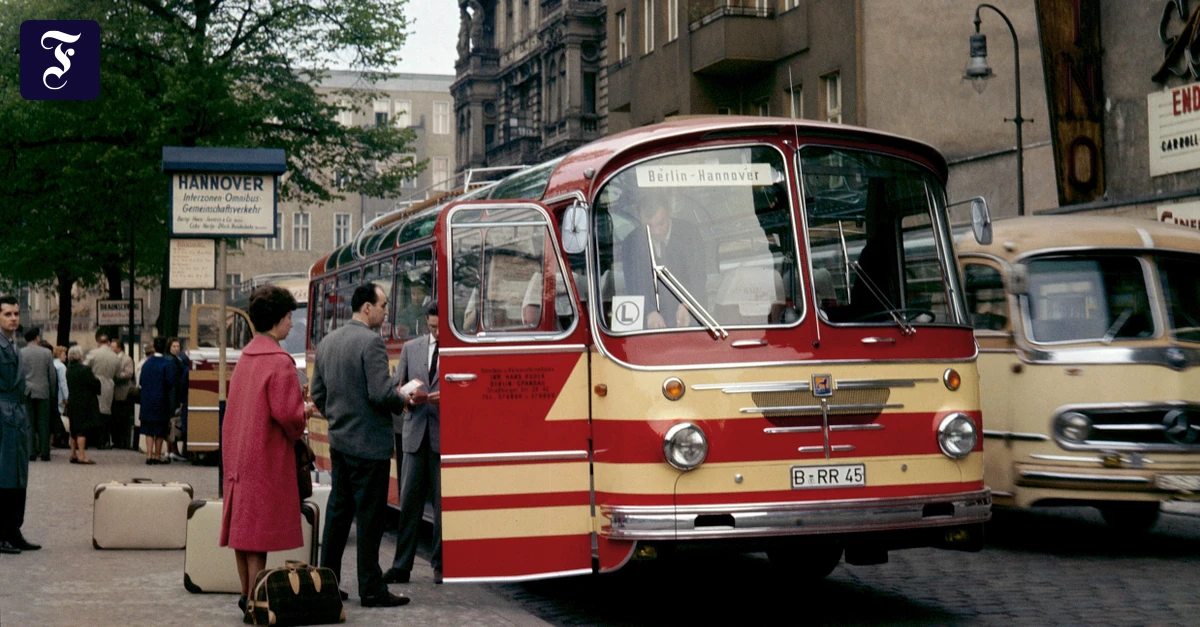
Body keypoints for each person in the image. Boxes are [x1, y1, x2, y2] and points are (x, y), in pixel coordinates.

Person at [311, 283, 411, 608]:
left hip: (340, 444)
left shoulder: (328, 342)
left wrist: (337, 418)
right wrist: (403, 397)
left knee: (339, 515)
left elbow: (318, 392)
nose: (385, 311)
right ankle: (371, 587)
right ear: (366, 307)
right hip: (370, 446)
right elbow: (380, 392)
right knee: (370, 519)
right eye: (382, 305)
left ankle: (327, 582)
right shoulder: (372, 342)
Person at [219, 285, 310, 618]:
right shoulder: (279, 360)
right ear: (279, 319)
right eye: (289, 318)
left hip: (240, 453)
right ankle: (257, 603)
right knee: (257, 533)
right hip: (265, 455)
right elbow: (287, 414)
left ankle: (246, 595)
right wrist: (304, 413)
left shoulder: (246, 356)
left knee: (243, 532)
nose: (291, 324)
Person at [385, 302, 442, 585]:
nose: (437, 332)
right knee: (409, 504)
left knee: (443, 506)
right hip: (415, 432)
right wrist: (406, 396)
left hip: (443, 437)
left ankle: (441, 566)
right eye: (432, 328)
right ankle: (401, 566)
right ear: (426, 323)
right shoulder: (411, 348)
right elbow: (397, 386)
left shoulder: (456, 349)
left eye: (440, 327)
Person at [619, 190, 706, 330]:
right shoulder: (631, 243)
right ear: (640, 219)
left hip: (690, 316)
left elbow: (698, 277)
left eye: (661, 223)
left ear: (669, 212)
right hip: (650, 324)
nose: (656, 231)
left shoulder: (689, 234)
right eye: (649, 226)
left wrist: (687, 305)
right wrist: (649, 312)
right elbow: (633, 284)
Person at [0, 294, 40, 553]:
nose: (14, 318)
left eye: (16, 314)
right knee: (3, 476)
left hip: (17, 416)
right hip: (3, 416)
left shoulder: (15, 345)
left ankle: (13, 530)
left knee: (17, 476)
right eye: (8, 314)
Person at [137, 338, 176, 465]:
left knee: (148, 429)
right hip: (161, 400)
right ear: (165, 348)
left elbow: (141, 381)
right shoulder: (166, 363)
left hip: (147, 399)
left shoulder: (146, 363)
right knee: (160, 429)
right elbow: (171, 381)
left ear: (154, 348)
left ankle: (149, 455)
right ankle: (157, 455)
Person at [20, 328, 57, 462]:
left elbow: (19, 374)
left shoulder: (21, 353)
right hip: (43, 391)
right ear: (37, 338)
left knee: (29, 423)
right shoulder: (47, 353)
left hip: (27, 392)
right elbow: (52, 376)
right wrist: (52, 393)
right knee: (43, 423)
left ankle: (31, 452)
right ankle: (45, 452)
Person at [64, 346, 99, 465]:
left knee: (73, 429)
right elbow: (94, 383)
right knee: (82, 429)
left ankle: (73, 453)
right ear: (80, 356)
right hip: (84, 402)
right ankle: (82, 455)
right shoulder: (85, 370)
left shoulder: (69, 370)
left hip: (72, 400)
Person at [85, 329, 119, 449]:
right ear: (108, 343)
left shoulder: (93, 353)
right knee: (105, 413)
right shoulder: (115, 357)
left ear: (98, 342)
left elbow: (85, 367)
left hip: (94, 383)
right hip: (109, 384)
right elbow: (118, 373)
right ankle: (103, 439)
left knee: (94, 411)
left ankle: (92, 439)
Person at [110, 339, 135, 451]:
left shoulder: (127, 359)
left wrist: (117, 376)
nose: (111, 348)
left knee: (123, 418)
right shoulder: (112, 358)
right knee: (115, 418)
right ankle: (116, 440)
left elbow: (129, 373)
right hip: (114, 392)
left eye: (113, 347)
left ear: (119, 348)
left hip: (123, 392)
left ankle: (123, 441)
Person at [167, 338, 190, 460]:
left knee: (171, 422)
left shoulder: (175, 360)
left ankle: (170, 449)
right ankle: (173, 449)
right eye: (174, 346)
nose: (176, 349)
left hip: (173, 394)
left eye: (178, 346)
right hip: (174, 394)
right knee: (174, 422)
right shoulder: (176, 361)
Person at [51, 345, 69, 448]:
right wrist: (66, 397)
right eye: (63, 354)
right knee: (59, 416)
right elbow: (63, 382)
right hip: (60, 395)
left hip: (53, 394)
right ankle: (59, 439)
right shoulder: (62, 367)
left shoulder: (53, 364)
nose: (65, 356)